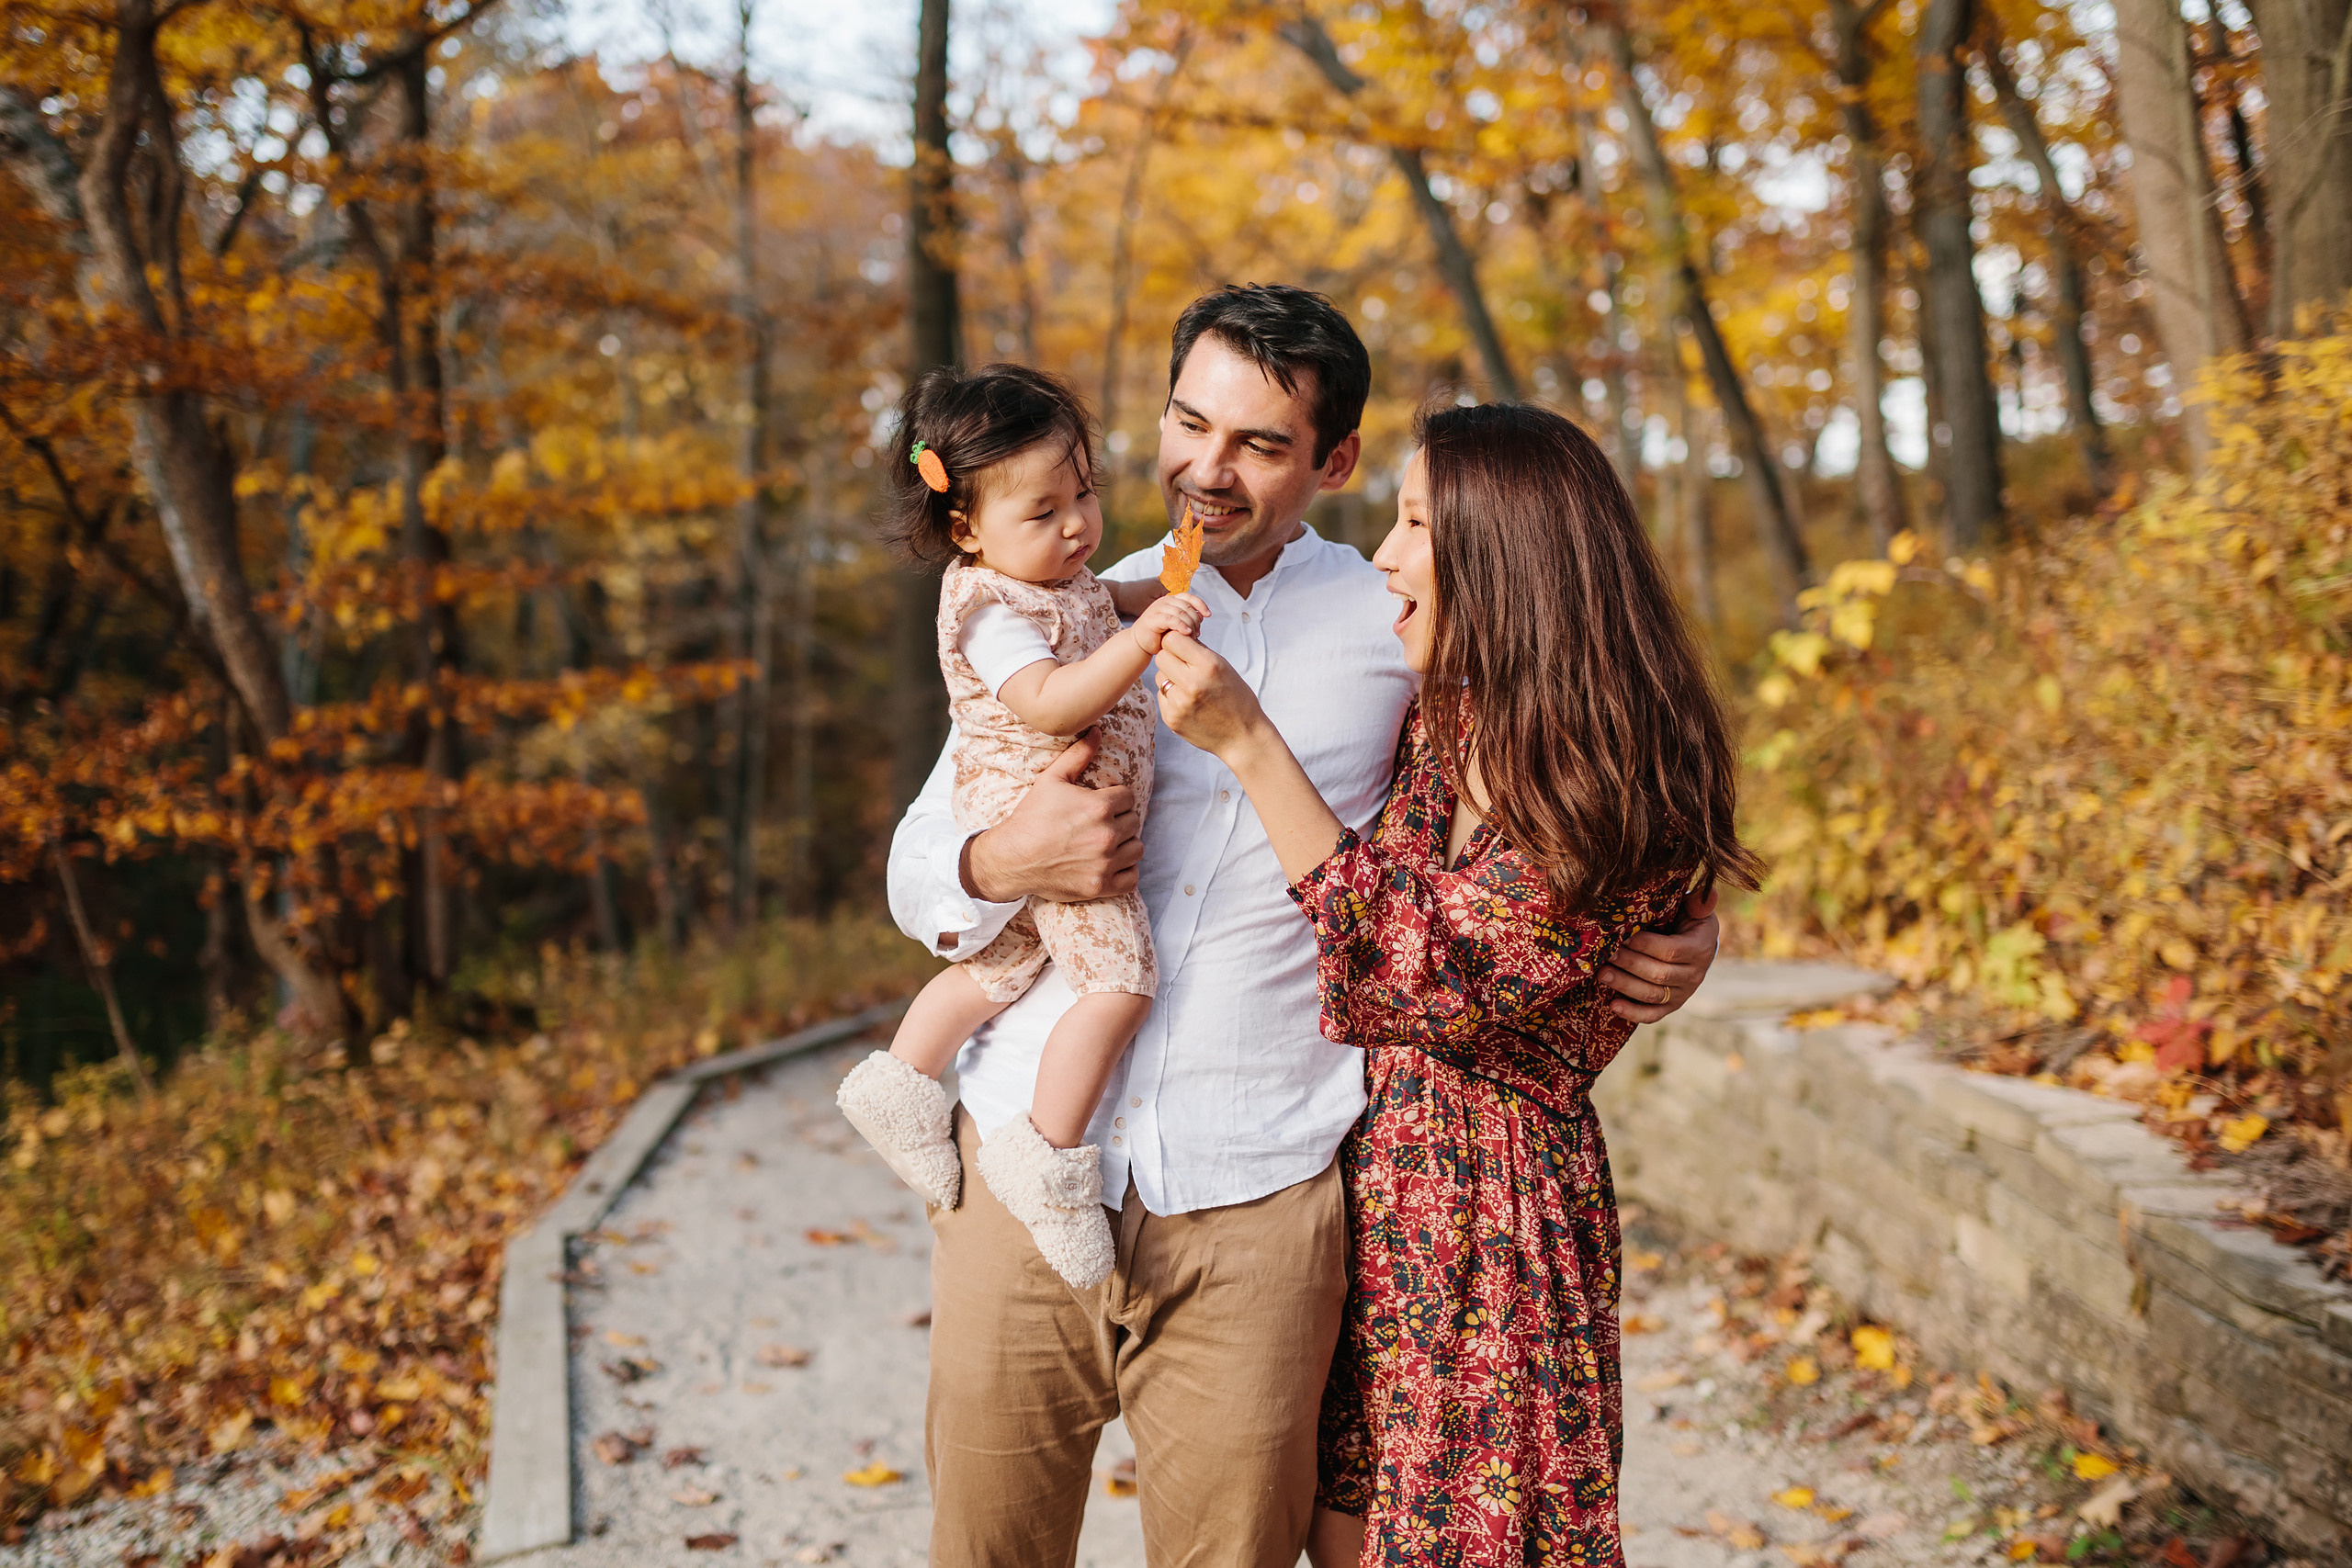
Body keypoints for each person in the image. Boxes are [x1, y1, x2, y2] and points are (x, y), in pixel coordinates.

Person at [886, 284, 1724, 1568]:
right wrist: (1003, 854)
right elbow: (919, 863)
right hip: (1027, 1159)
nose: (1204, 469)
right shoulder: (1064, 607)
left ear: (1333, 461)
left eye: (1259, 444)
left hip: (1264, 1195)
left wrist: (1685, 925)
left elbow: (1568, 754)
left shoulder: (1401, 628)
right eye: (1187, 422)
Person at [1152, 400, 1763, 1567]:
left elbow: (1411, 972)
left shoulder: (1610, 769)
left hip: (1490, 1231)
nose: (1385, 554)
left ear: (1509, 552)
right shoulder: (1451, 711)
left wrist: (1250, 743)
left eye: (1417, 523)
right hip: (1367, 1188)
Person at [838, 364, 1208, 1288]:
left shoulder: (1063, 579)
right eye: (1044, 512)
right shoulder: (991, 610)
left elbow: (1098, 604)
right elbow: (1047, 702)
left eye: (1083, 493)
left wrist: (1150, 590)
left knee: (1002, 966)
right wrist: (1145, 637)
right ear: (966, 527)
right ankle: (1044, 1157)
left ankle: (900, 1082)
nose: (1078, 525)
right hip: (1038, 806)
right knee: (1119, 983)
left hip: (1060, 806)